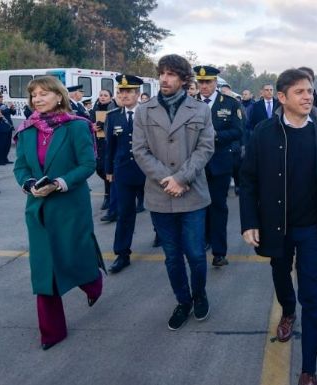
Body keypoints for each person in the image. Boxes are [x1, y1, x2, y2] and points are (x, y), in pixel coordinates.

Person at [240, 68, 317, 385]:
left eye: (310, 91)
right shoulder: (263, 132)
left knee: (313, 295)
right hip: (276, 227)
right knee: (281, 274)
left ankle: (308, 369)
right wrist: (250, 222)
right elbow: (248, 179)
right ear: (282, 98)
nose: (308, 96)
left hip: (313, 229)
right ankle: (287, 310)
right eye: (299, 92)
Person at [13, 75, 105, 350]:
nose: (37, 99)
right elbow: (21, 168)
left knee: (75, 255)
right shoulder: (27, 130)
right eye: (33, 95)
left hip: (70, 206)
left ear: (59, 96)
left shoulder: (77, 126)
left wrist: (60, 183)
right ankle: (52, 331)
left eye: (44, 93)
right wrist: (29, 185)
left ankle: (92, 280)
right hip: (38, 209)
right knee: (44, 270)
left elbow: (88, 164)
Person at [132, 54, 214, 331]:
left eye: (171, 74)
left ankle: (199, 294)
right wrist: (167, 180)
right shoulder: (145, 110)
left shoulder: (200, 110)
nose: (164, 79)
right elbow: (140, 150)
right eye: (161, 73)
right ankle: (183, 301)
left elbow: (205, 148)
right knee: (171, 255)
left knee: (196, 253)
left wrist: (181, 178)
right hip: (159, 194)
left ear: (183, 79)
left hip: (192, 194)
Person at [194, 65, 243, 267]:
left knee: (218, 207)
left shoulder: (230, 103)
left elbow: (238, 131)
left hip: (219, 163)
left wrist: (216, 135)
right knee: (197, 207)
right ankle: (202, 241)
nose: (204, 86)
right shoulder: (188, 103)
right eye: (201, 82)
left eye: (208, 82)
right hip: (195, 165)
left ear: (216, 83)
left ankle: (219, 251)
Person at [104, 75, 147, 274]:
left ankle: (160, 236)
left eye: (129, 91)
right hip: (123, 172)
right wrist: (109, 171)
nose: (124, 95)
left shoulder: (149, 114)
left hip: (148, 171)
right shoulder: (113, 116)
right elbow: (109, 147)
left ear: (138, 94)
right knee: (124, 214)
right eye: (121, 91)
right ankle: (122, 254)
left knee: (158, 210)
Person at [90, 90, 119, 217]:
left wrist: (105, 126)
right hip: (98, 144)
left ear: (110, 98)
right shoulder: (93, 110)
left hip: (109, 143)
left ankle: (110, 199)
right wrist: (92, 127)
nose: (102, 97)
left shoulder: (114, 110)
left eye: (105, 95)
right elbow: (87, 124)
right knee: (100, 169)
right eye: (101, 95)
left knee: (109, 171)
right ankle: (109, 196)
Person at [0, 92, 16, 165]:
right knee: (0, 145)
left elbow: (13, 113)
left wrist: (12, 108)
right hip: (0, 128)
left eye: (2, 97)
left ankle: (5, 158)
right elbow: (1, 112)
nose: (1, 98)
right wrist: (8, 107)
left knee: (7, 145)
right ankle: (0, 160)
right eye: (0, 97)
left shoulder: (4, 105)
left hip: (8, 128)